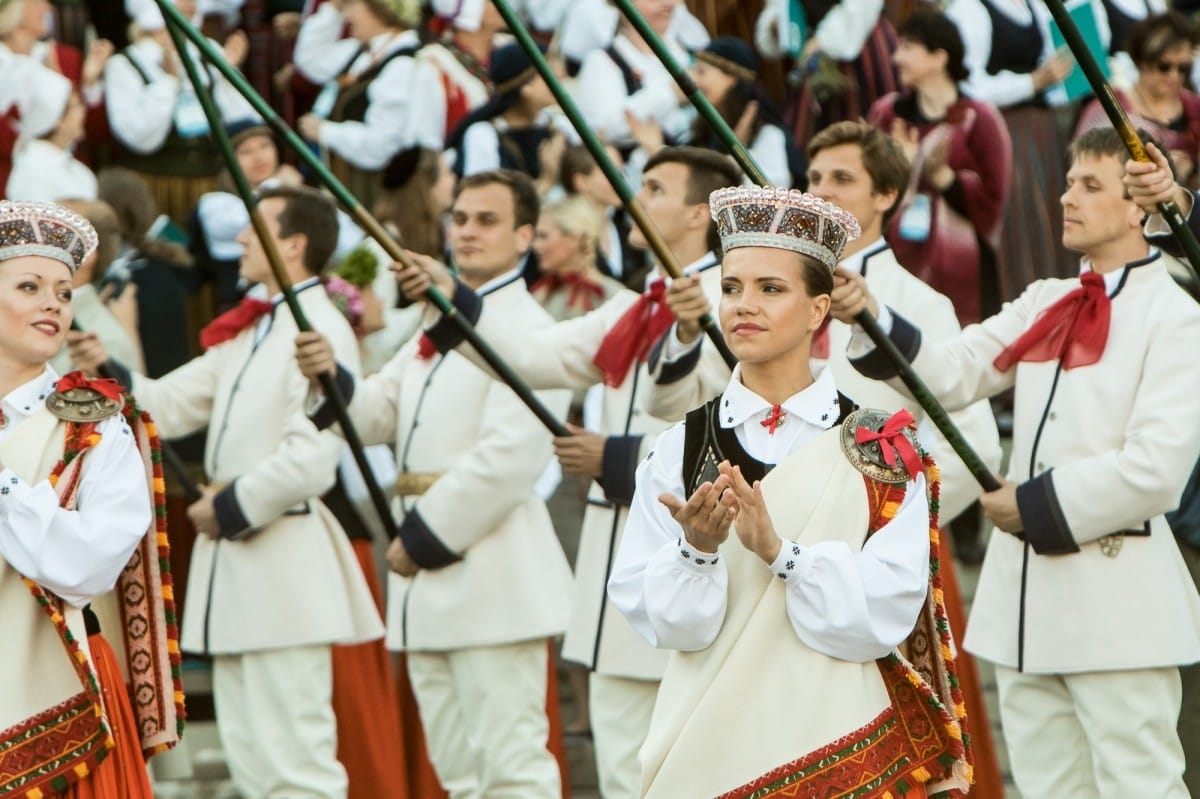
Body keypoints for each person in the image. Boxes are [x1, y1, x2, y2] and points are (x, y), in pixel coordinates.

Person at [644, 119, 1008, 794]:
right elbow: (664, 622)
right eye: (731, 287)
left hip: (840, 707)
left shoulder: (880, 435)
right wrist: (696, 548)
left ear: (818, 311)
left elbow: (882, 607)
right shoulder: (680, 448)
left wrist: (805, 542)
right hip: (709, 728)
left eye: (769, 289)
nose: (744, 305)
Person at [838, 125, 1200, 798]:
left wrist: (1030, 504)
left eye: (1090, 185)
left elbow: (1157, 469)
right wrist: (869, 313)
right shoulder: (1045, 299)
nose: (1067, 197)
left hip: (1120, 605)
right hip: (1027, 604)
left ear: (1138, 205)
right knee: (1047, 786)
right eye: (1068, 181)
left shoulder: (1176, 316)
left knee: (1139, 784)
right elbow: (950, 371)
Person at [383, 146, 743, 799]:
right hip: (620, 574)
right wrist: (452, 296)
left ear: (698, 212)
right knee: (622, 773)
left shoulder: (736, 298)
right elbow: (532, 356)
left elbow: (744, 437)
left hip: (694, 563)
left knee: (689, 773)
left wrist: (618, 457)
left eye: (654, 188)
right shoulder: (638, 302)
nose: (634, 199)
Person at [68, 184, 385, 799]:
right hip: (240, 561)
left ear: (291, 244)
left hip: (283, 553)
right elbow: (170, 402)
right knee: (252, 756)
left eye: (254, 227)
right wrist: (107, 364)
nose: (239, 238)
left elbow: (314, 454)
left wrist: (232, 504)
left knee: (297, 756)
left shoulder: (318, 326)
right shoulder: (252, 327)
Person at [294, 169, 573, 799]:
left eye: (487, 220)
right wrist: (332, 378)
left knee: (512, 764)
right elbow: (375, 415)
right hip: (429, 571)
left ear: (526, 235)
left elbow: (510, 458)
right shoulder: (435, 322)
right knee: (459, 772)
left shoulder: (528, 328)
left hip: (491, 570)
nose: (467, 232)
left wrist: (420, 539)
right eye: (461, 218)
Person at [0, 199, 181, 798]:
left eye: (64, 290)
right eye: (30, 286)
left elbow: (87, 565)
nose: (53, 302)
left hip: (62, 693)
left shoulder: (98, 424)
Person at [868, 8, 1011, 324]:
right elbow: (866, 190)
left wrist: (943, 177)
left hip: (966, 272)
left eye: (908, 48)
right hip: (898, 264)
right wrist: (900, 167)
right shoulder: (888, 115)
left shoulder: (980, 119)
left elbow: (994, 200)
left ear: (939, 57)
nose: (895, 58)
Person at [945, 0, 1079, 298]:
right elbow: (970, 85)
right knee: (1018, 226)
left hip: (1042, 132)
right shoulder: (971, 9)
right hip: (1002, 133)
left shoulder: (1033, 5)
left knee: (1049, 221)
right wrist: (1032, 82)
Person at [103, 0, 253, 224]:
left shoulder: (207, 50)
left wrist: (226, 75)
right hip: (155, 185)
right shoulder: (126, 63)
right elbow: (138, 136)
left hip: (209, 183)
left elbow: (245, 122)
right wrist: (168, 83)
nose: (191, 3)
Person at [294, 0, 442, 211]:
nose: (346, 16)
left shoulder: (403, 65)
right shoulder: (364, 52)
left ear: (379, 9)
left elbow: (380, 145)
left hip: (374, 203)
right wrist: (332, 9)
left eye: (352, 5)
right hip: (348, 195)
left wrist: (325, 131)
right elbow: (310, 59)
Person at [1076, 12, 1200, 189]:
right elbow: (1086, 169)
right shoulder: (1109, 108)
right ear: (1143, 61)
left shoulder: (1195, 108)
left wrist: (1193, 171)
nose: (1174, 75)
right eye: (1164, 66)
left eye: (1183, 69)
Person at [573, 0, 698, 157]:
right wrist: (671, 94)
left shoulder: (688, 53)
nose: (669, 4)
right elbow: (602, 129)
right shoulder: (603, 61)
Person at [446, 41, 564, 193]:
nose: (559, 78)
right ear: (525, 86)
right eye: (549, 74)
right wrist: (546, 181)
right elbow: (483, 202)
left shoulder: (558, 127)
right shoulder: (483, 136)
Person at [529, 194, 625, 322]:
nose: (535, 246)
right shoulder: (540, 294)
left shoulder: (613, 297)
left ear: (574, 238)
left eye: (543, 236)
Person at [6, 81, 97, 203]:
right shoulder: (33, 169)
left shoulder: (75, 167)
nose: (82, 110)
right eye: (76, 105)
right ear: (59, 120)